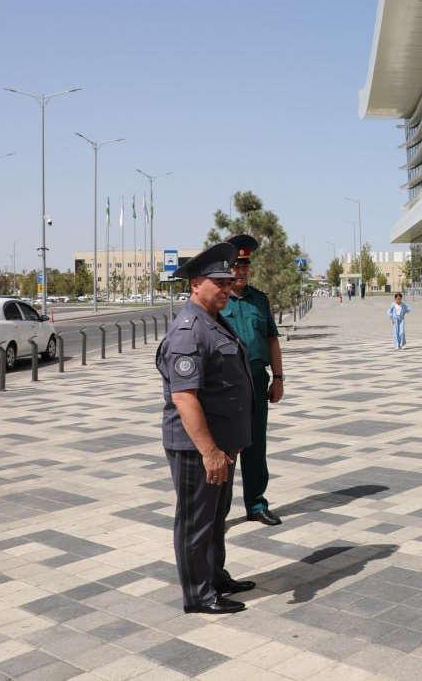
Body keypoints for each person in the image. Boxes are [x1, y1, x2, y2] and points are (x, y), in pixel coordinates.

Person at [155, 242, 256, 614]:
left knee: (216, 517)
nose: (228, 289)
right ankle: (197, 594)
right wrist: (210, 451)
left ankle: (215, 576)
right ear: (196, 283)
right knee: (196, 520)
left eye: (229, 282)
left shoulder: (215, 320)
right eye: (220, 283)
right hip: (197, 448)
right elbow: (185, 398)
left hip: (221, 445)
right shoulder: (188, 330)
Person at [219, 234, 285, 527]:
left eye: (245, 264)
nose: (241, 270)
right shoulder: (217, 303)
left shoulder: (260, 300)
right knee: (227, 448)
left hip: (257, 381)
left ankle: (256, 504)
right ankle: (217, 512)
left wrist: (279, 378)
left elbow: (271, 340)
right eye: (236, 265)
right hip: (228, 386)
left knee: (256, 446)